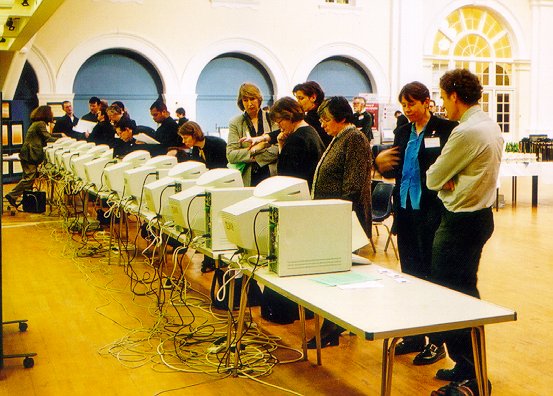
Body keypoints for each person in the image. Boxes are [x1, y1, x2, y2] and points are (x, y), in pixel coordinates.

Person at [426, 69, 503, 393]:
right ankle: (467, 365)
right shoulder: (489, 125)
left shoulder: (465, 132)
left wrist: (446, 185)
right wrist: (450, 180)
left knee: (451, 294)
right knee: (464, 290)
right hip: (480, 217)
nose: (443, 105)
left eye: (443, 98)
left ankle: (472, 372)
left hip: (460, 220)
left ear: (454, 96)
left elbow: (432, 178)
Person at [375, 82, 457, 366]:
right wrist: (380, 161)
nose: (408, 109)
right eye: (404, 104)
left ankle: (437, 342)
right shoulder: (402, 130)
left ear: (426, 102)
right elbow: (394, 165)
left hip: (431, 212)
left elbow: (454, 162)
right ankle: (414, 335)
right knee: (409, 274)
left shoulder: (445, 129)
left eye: (412, 103)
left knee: (431, 277)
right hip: (406, 210)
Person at [307, 96, 372, 348]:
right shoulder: (340, 137)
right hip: (334, 218)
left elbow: (353, 184)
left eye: (326, 119)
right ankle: (334, 327)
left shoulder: (353, 138)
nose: (322, 124)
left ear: (342, 118)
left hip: (345, 218)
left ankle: (332, 330)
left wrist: (339, 217)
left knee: (340, 277)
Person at [240, 96, 325, 189]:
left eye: (279, 122)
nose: (279, 127)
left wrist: (281, 147)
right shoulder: (310, 131)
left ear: (289, 116)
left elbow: (284, 174)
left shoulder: (296, 140)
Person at [226, 82, 279, 187]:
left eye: (252, 99)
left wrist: (254, 157)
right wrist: (256, 149)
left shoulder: (271, 118)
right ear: (241, 102)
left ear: (259, 99)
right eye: (245, 100)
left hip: (270, 175)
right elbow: (231, 155)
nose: (249, 104)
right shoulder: (235, 122)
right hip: (247, 177)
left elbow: (277, 149)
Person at [5, 105, 56, 207]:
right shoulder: (40, 124)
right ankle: (11, 195)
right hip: (30, 155)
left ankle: (28, 203)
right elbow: (47, 138)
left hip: (27, 154)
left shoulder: (36, 123)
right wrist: (63, 140)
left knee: (28, 178)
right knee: (29, 178)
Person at [293, 81, 332, 147]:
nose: (298, 103)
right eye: (297, 99)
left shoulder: (313, 118)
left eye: (301, 98)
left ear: (313, 97)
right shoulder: (325, 110)